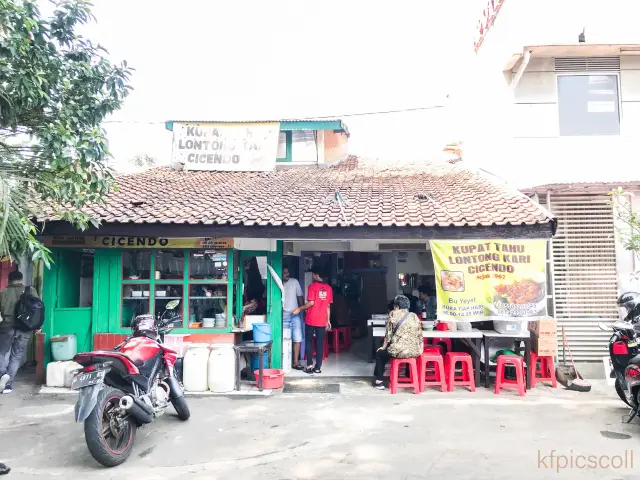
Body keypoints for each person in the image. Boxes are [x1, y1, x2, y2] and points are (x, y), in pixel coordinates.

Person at [0, 271, 39, 394]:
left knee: (2, 352)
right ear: (21, 280)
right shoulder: (30, 291)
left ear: (8, 280)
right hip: (25, 328)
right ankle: (8, 385)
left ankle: (3, 373)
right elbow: (37, 310)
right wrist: (37, 326)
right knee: (16, 356)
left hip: (6, 327)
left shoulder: (3, 293)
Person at [373, 294, 423, 390]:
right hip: (414, 351)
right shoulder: (414, 316)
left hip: (398, 350)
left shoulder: (393, 314)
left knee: (380, 353)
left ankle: (379, 381)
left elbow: (388, 334)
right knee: (406, 349)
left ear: (397, 306)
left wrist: (383, 347)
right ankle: (408, 375)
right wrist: (420, 349)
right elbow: (420, 335)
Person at [293, 266, 333, 374]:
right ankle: (318, 367)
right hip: (321, 320)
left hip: (311, 319)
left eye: (313, 274)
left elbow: (311, 303)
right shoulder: (329, 288)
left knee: (309, 342)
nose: (312, 276)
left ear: (316, 275)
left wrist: (299, 308)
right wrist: (328, 320)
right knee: (320, 343)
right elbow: (328, 306)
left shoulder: (312, 286)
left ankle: (309, 365)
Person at [282, 267, 304, 370]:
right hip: (282, 315)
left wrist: (301, 309)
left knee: (297, 338)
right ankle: (283, 362)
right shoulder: (278, 284)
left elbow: (300, 297)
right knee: (283, 339)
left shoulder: (294, 282)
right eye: (285, 273)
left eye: (288, 272)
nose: (287, 274)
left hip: (295, 314)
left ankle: (295, 362)